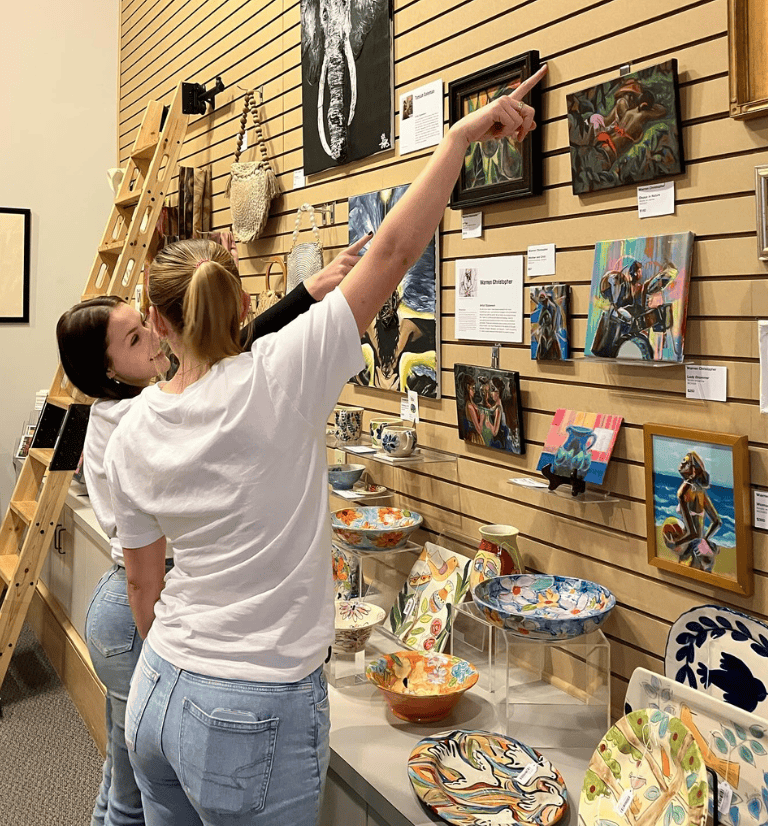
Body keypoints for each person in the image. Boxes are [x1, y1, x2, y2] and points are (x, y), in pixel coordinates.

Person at [103, 64, 546, 826]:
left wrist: (186, 661)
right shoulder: (282, 375)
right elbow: (395, 254)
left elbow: (143, 589)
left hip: (159, 691)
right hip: (252, 708)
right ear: (242, 302)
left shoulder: (134, 426)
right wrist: (462, 136)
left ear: (160, 322)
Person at [55, 240, 367, 826]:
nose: (148, 342)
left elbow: (227, 360)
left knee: (121, 777)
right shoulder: (129, 417)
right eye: (131, 341)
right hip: (153, 623)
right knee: (122, 795)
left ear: (157, 319)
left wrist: (306, 295)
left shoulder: (143, 409)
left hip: (157, 639)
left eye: (140, 326)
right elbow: (234, 362)